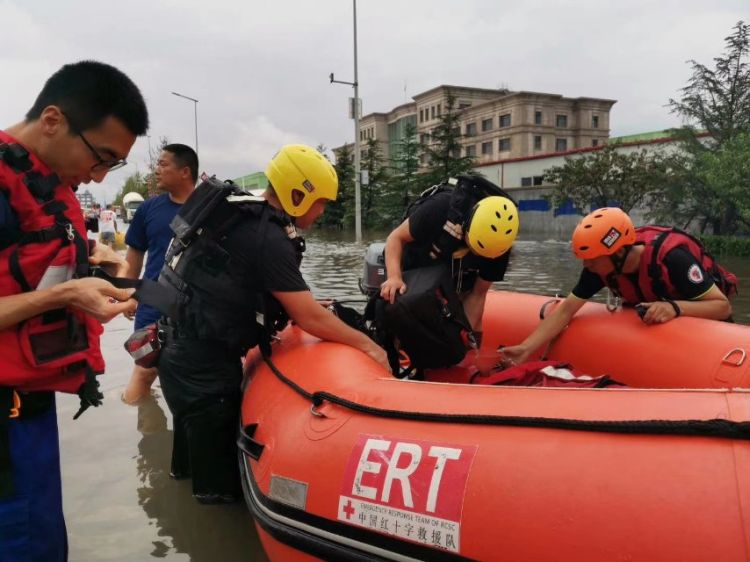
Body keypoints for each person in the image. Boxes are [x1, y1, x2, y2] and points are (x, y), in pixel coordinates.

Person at [152, 144, 389, 504]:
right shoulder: (268, 237)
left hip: (181, 352)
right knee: (218, 494)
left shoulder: (245, 217)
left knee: (188, 462)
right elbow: (307, 316)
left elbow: (253, 286)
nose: (323, 211)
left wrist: (300, 305)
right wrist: (368, 345)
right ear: (298, 194)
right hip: (202, 369)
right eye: (321, 202)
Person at [0, 60, 148, 561]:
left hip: (29, 414)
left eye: (113, 166)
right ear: (52, 121)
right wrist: (65, 296)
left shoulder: (48, 181)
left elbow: (34, 262)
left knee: (44, 541)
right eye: (100, 157)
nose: (97, 175)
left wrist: (98, 267)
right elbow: (50, 289)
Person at [502, 207, 734, 365]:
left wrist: (674, 308)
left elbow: (722, 307)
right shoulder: (599, 267)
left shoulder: (674, 259)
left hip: (708, 330)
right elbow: (566, 309)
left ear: (618, 251)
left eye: (592, 260)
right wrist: (526, 348)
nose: (587, 265)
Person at [378, 175, 519, 371]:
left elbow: (478, 294)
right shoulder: (439, 209)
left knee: (455, 334)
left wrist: (467, 345)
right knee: (405, 309)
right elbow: (395, 237)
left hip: (455, 273)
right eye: (476, 249)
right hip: (416, 261)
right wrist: (394, 277)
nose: (479, 255)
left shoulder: (500, 246)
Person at [121, 144, 198, 405]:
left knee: (194, 376)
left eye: (163, 164)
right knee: (144, 371)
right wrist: (128, 294)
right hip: (152, 302)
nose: (156, 170)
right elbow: (133, 258)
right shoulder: (148, 210)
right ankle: (146, 438)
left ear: (185, 171)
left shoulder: (211, 209)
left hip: (197, 307)